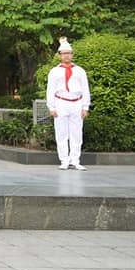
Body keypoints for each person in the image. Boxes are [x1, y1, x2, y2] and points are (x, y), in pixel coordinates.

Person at [46, 39, 91, 171]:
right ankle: (64, 160)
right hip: (61, 101)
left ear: (72, 54)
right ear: (59, 55)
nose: (66, 56)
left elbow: (85, 89)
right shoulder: (54, 71)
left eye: (69, 53)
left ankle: (75, 160)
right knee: (61, 133)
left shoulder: (80, 71)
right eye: (64, 53)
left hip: (76, 101)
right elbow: (50, 89)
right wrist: (51, 107)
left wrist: (85, 107)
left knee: (76, 133)